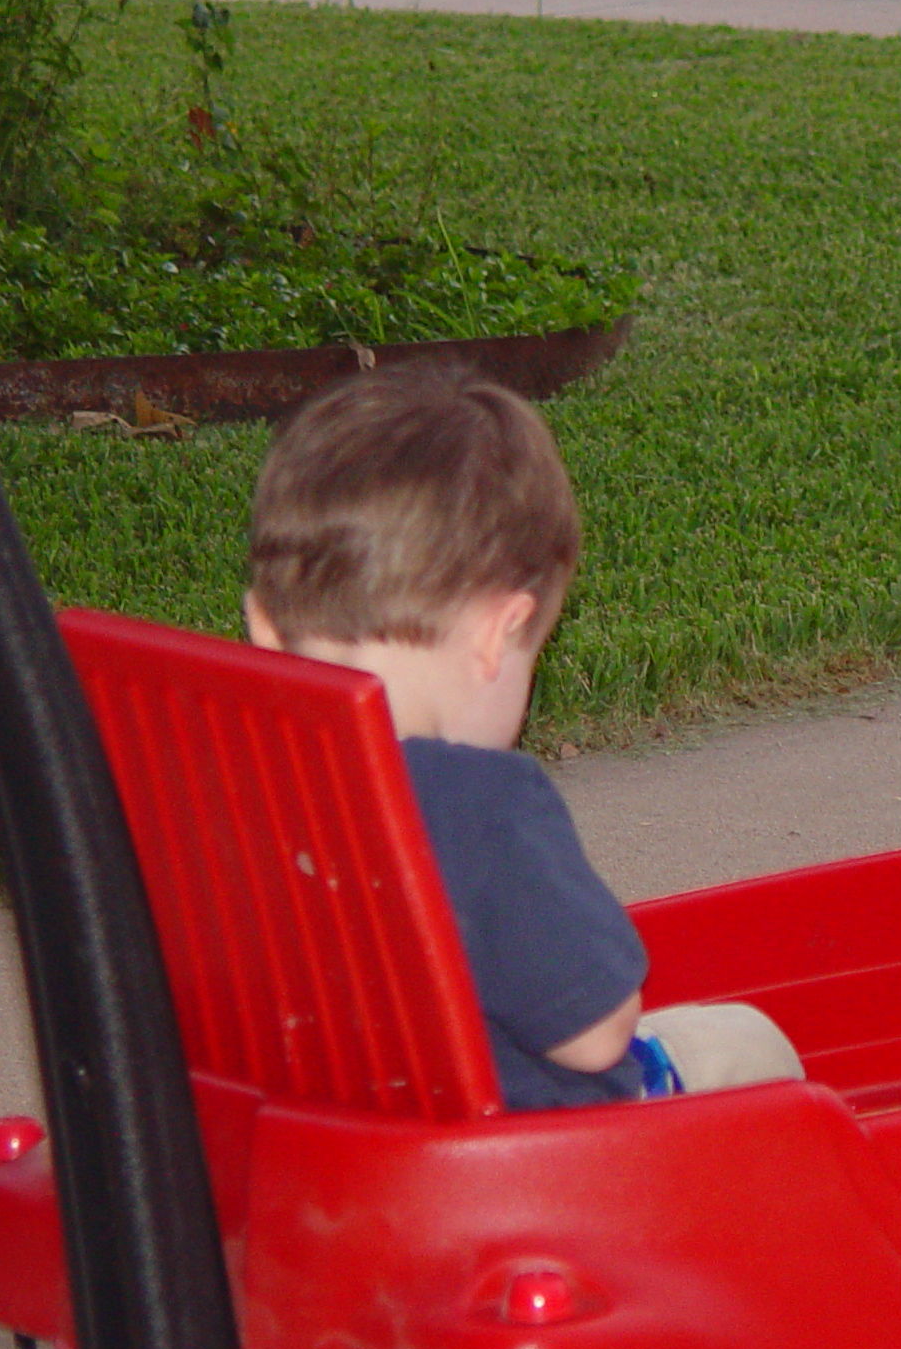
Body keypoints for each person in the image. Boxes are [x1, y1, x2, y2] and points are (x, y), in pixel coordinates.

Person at [245, 364, 802, 1110]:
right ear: (495, 635)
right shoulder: (480, 805)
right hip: (528, 1167)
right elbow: (596, 1035)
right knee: (744, 1041)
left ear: (263, 626)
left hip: (329, 1139)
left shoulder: (228, 780)